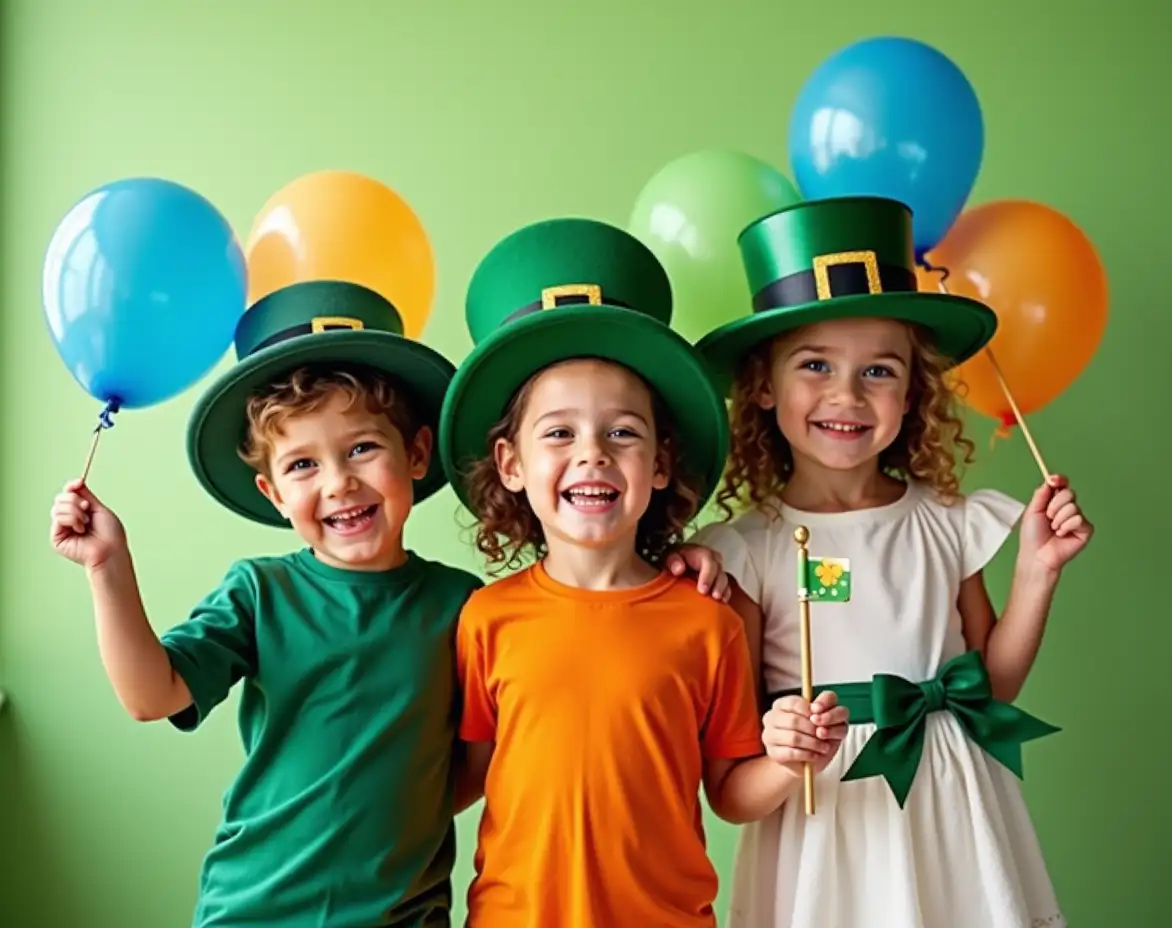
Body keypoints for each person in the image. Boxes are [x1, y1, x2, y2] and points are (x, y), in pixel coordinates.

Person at [49, 280, 729, 928]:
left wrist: (673, 556)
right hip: (256, 909)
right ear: (273, 494)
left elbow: (502, 736)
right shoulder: (260, 593)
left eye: (363, 449)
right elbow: (152, 694)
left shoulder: (466, 607)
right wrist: (109, 568)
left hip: (406, 915)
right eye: (303, 466)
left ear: (417, 454)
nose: (341, 483)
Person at [690, 196, 1094, 928]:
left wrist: (1038, 572)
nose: (847, 394)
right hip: (826, 836)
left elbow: (989, 688)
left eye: (879, 371)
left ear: (912, 393)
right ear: (762, 386)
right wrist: (784, 758)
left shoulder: (945, 522)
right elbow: (728, 790)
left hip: (954, 816)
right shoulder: (746, 551)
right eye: (815, 364)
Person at [437, 217, 851, 927]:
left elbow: (728, 791)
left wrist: (790, 759)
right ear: (512, 464)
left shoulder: (707, 620)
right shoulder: (486, 617)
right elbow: (464, 779)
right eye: (559, 432)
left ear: (659, 465)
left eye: (623, 432)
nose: (593, 453)